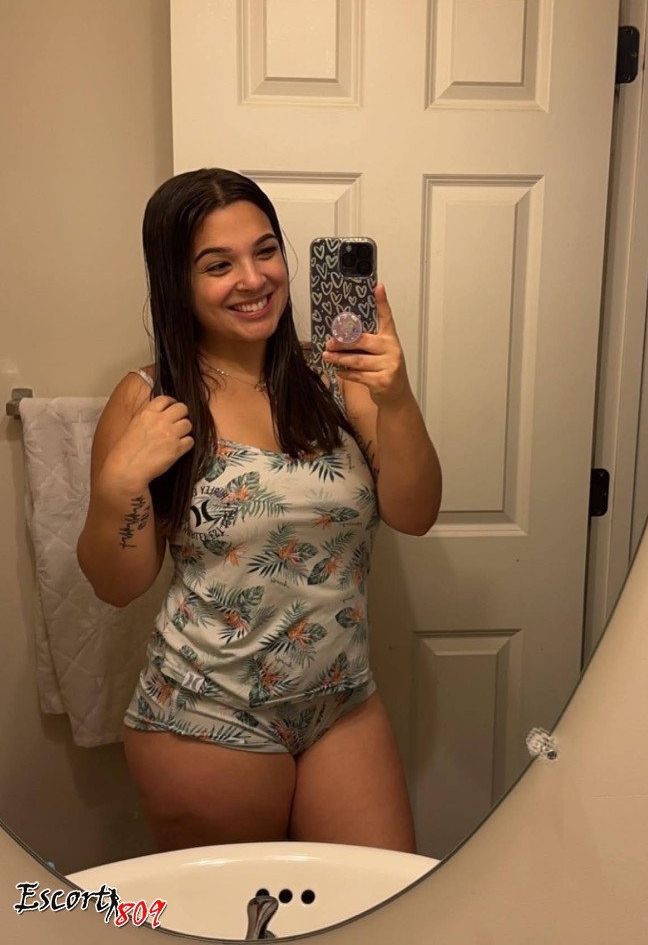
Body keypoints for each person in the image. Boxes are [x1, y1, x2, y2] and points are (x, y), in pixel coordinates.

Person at [77, 168, 441, 853]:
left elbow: (415, 513)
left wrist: (396, 398)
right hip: (206, 713)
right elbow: (117, 585)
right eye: (218, 265)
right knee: (240, 908)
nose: (253, 279)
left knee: (383, 897)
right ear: (177, 281)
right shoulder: (148, 399)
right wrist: (118, 484)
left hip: (342, 703)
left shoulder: (335, 375)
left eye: (265, 251)